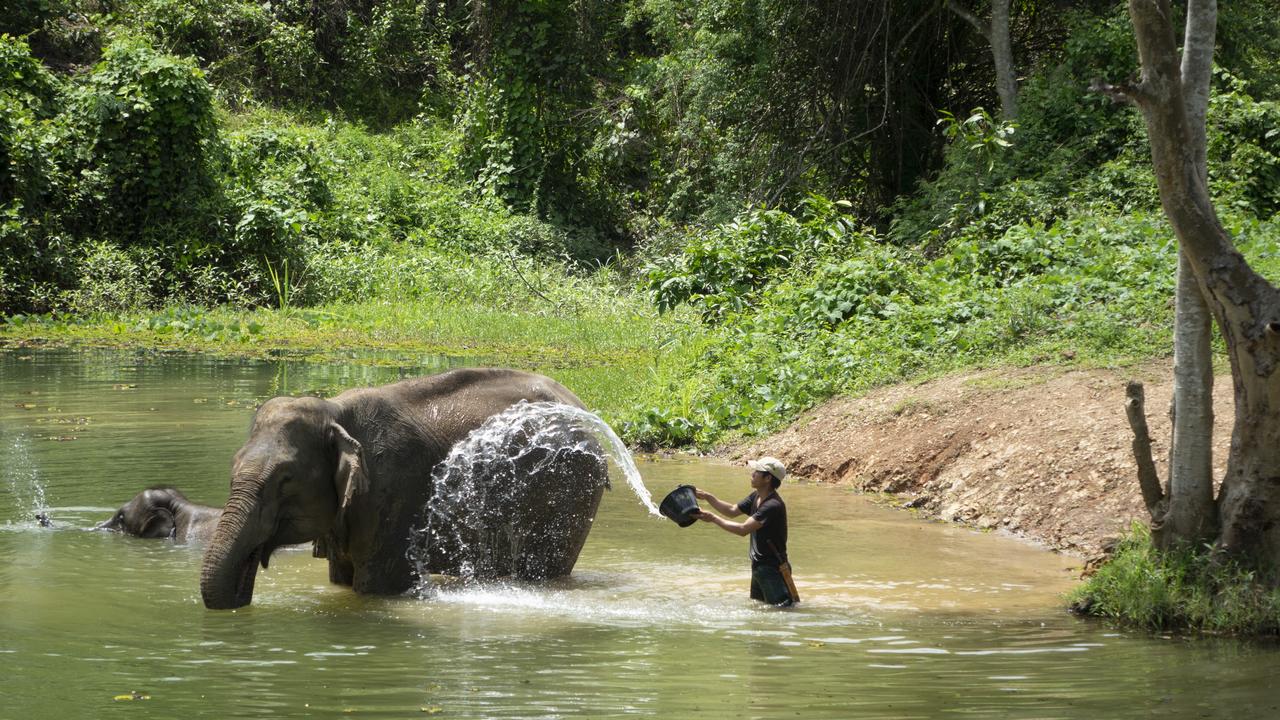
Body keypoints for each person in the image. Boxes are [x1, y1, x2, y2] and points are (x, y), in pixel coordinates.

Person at [696, 456, 798, 607]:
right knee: (760, 609)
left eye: (756, 472)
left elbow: (743, 529)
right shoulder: (756, 496)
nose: (752, 474)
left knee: (782, 611)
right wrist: (708, 497)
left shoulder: (772, 505)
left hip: (772, 569)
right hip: (758, 566)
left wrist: (713, 518)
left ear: (768, 478)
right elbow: (731, 511)